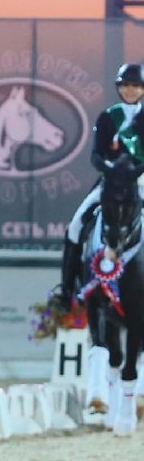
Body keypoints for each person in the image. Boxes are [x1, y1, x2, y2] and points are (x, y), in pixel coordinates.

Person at [53, 61, 144, 309]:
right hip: (111, 182)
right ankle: (67, 290)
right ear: (119, 87)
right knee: (75, 226)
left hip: (141, 181)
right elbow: (96, 155)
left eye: (136, 86)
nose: (130, 90)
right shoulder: (107, 118)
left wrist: (136, 171)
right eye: (126, 85)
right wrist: (111, 170)